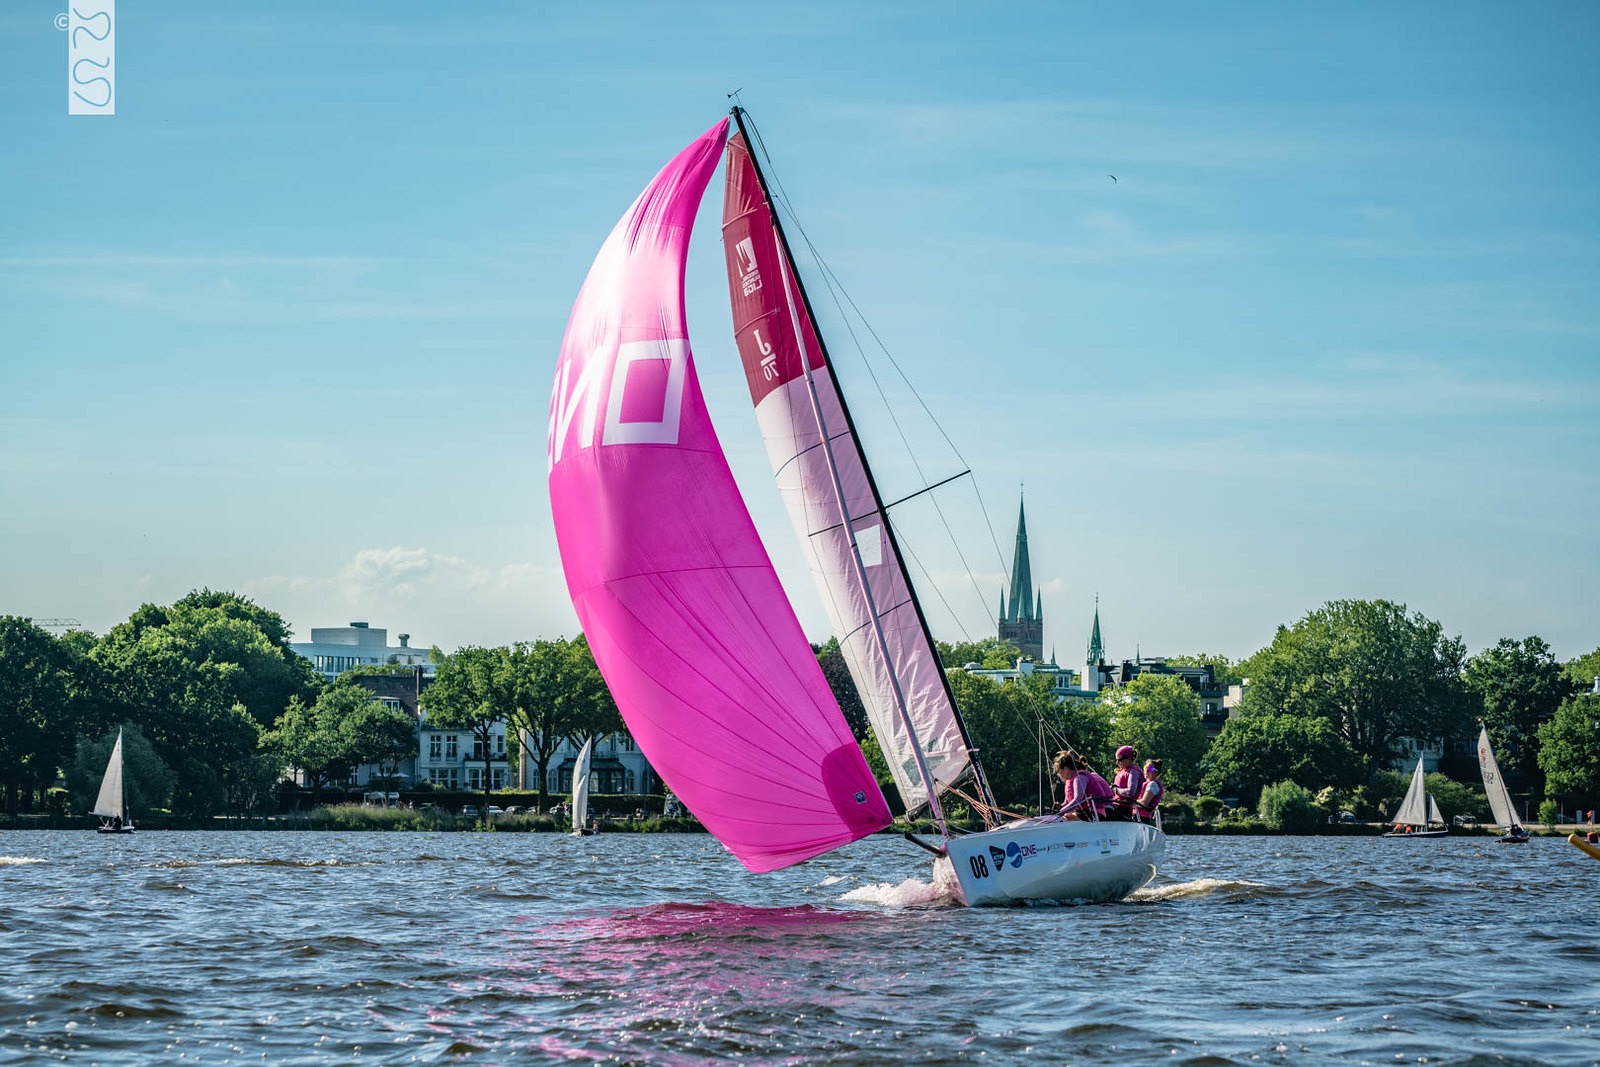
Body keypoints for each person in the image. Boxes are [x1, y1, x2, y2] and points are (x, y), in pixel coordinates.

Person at [1054, 750, 1094, 819]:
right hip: (1084, 812)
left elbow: (1078, 799)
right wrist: (1060, 807)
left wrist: (1061, 811)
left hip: (1094, 812)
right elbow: (1067, 802)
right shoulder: (1070, 781)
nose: (1058, 775)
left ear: (1066, 769)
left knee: (1066, 816)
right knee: (1065, 816)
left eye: (1058, 771)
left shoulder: (1080, 777)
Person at [1106, 745, 1143, 819]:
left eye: (1120, 760)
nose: (1117, 763)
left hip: (1123, 808)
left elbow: (1130, 792)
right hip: (1117, 806)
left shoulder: (1134, 771)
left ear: (1129, 758)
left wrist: (1116, 790)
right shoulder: (1124, 770)